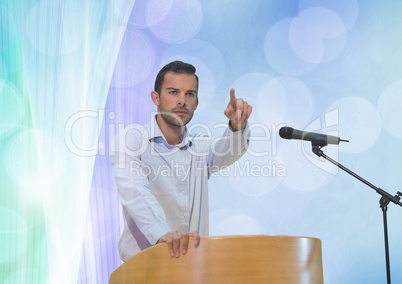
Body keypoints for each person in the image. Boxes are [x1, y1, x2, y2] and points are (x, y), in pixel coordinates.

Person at [111, 60, 252, 261]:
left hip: (191, 270)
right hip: (143, 269)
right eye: (173, 92)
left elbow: (230, 150)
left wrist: (237, 126)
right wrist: (162, 234)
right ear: (155, 97)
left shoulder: (199, 149)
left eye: (189, 94)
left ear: (196, 102)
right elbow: (136, 192)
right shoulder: (132, 140)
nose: (182, 101)